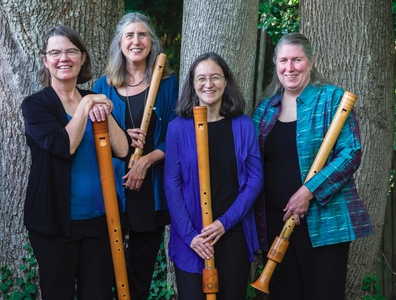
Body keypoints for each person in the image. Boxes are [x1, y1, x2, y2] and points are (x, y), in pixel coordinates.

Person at [253, 32, 373, 300]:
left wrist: (307, 192)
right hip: (276, 221)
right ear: (276, 64)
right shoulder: (264, 110)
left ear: (310, 62)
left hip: (323, 221)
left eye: (297, 60)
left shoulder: (332, 99)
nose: (290, 67)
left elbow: (350, 153)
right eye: (283, 60)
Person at [21, 25, 129, 300]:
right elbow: (63, 146)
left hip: (100, 222)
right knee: (58, 294)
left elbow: (123, 148)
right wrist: (85, 105)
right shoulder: (35, 105)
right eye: (55, 52)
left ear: (83, 57)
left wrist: (102, 112)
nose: (63, 58)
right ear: (45, 61)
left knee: (98, 295)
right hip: (54, 224)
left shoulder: (91, 99)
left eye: (71, 51)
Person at [92, 12, 178, 300]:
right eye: (129, 35)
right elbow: (92, 140)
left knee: (140, 274)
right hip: (113, 189)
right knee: (106, 269)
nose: (136, 41)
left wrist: (147, 159)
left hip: (150, 188)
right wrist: (121, 140)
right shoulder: (102, 87)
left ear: (151, 42)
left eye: (142, 35)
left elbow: (178, 137)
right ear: (120, 42)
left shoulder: (168, 84)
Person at [164, 52, 263, 300]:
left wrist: (224, 223)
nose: (208, 84)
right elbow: (172, 184)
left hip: (232, 231)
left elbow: (255, 179)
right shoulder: (177, 127)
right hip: (193, 235)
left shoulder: (243, 125)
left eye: (215, 77)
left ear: (226, 81)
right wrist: (190, 236)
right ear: (193, 83)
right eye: (201, 78)